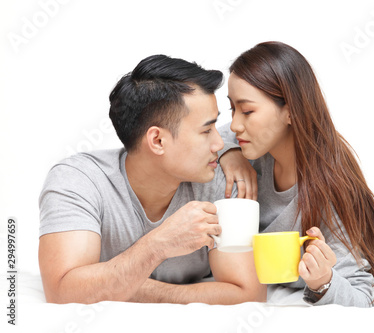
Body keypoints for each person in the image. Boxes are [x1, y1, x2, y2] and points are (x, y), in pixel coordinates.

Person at [38, 54, 266, 304]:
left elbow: (247, 294)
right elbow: (62, 292)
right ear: (157, 141)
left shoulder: (222, 182)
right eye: (206, 130)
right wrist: (159, 244)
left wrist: (127, 287)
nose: (220, 144)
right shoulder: (78, 180)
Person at [218, 41, 374, 307]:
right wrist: (227, 154)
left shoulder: (332, 187)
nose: (235, 124)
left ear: (289, 111)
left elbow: (360, 296)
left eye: (247, 111)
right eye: (232, 109)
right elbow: (205, 134)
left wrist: (323, 281)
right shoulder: (249, 144)